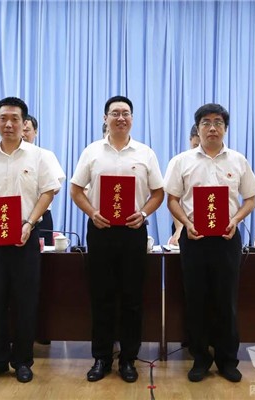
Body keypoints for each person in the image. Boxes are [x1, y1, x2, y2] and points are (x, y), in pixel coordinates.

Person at [164, 103, 255, 383]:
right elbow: (172, 199)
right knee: (196, 300)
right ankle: (200, 359)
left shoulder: (238, 160)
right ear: (198, 128)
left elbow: (250, 199)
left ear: (225, 128)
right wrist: (186, 223)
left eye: (218, 122)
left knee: (226, 300)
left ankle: (227, 360)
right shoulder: (181, 161)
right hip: (194, 238)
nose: (212, 128)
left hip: (227, 239)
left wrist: (236, 220)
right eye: (206, 122)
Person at [70, 95, 164, 383]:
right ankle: (101, 358)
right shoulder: (92, 152)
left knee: (132, 299)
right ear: (105, 118)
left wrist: (143, 213)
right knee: (102, 297)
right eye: (115, 113)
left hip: (133, 232)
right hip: (101, 231)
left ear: (132, 118)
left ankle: (128, 360)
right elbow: (76, 190)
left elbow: (158, 192)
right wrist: (93, 213)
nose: (120, 118)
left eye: (125, 113)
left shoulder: (145, 153)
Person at [0, 97, 61, 383]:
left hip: (25, 236)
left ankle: (22, 361)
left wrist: (30, 222)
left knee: (25, 301)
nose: (8, 124)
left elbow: (49, 191)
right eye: (3, 118)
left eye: (15, 119)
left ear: (24, 123)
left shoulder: (39, 156)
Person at [22, 114, 66, 245]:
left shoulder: (45, 155)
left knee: (44, 254)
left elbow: (55, 188)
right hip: (15, 215)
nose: (23, 134)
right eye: (21, 130)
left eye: (27, 130)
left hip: (42, 216)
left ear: (35, 132)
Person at [168, 124, 202, 245]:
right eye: (196, 146)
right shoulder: (180, 161)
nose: (200, 149)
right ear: (190, 140)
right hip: (185, 223)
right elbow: (173, 199)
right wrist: (179, 227)